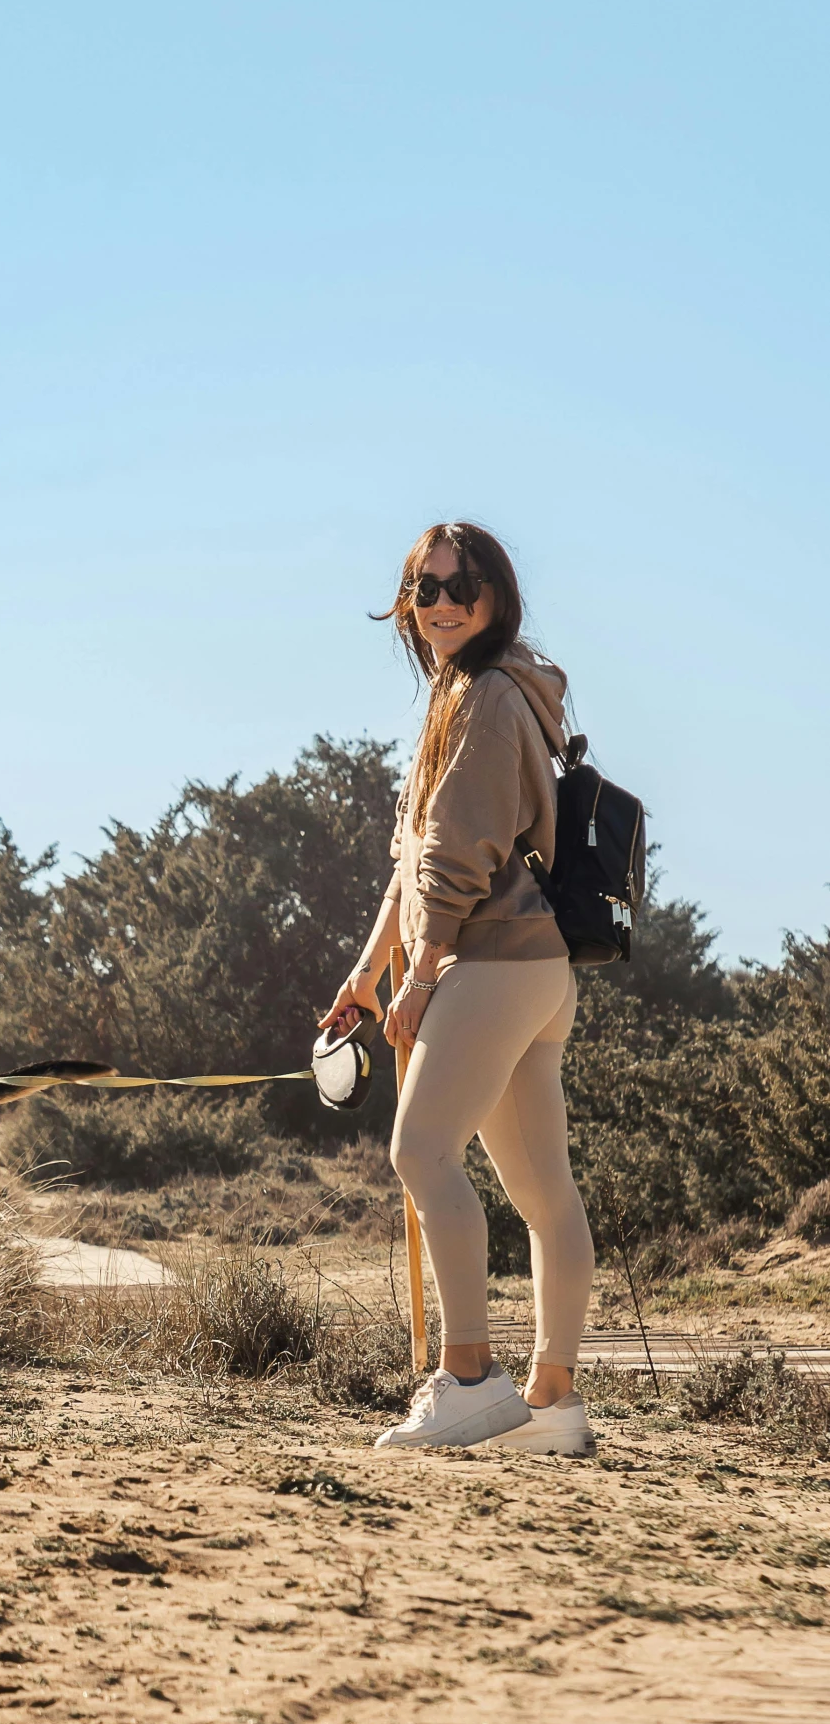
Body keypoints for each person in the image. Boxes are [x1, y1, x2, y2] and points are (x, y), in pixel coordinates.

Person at [322, 522, 597, 1456]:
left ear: (495, 594)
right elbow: (411, 863)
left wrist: (425, 971)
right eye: (423, 589)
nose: (440, 603)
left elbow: (457, 855)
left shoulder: (484, 695)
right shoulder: (476, 692)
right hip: (535, 969)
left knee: (421, 1153)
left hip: (491, 960)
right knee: (542, 1194)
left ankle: (469, 1378)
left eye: (458, 586)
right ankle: (551, 1404)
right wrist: (367, 978)